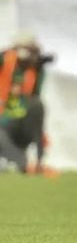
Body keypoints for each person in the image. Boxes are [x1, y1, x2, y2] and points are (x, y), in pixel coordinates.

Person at [0, 31, 55, 175]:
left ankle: (26, 161)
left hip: (18, 111)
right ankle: (19, 161)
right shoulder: (4, 59)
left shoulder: (37, 68)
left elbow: (34, 96)